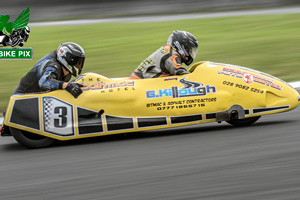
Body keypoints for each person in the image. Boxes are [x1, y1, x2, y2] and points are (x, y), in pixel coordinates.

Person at [13, 42, 85, 98]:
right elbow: (43, 82)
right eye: (76, 61)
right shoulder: (52, 65)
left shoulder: (67, 73)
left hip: (38, 99)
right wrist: (67, 85)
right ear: (66, 57)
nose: (77, 64)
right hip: (21, 99)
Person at [129, 30, 198, 79]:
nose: (191, 53)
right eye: (190, 50)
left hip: (141, 80)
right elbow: (181, 72)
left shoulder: (168, 50)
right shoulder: (171, 54)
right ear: (181, 46)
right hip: (141, 83)